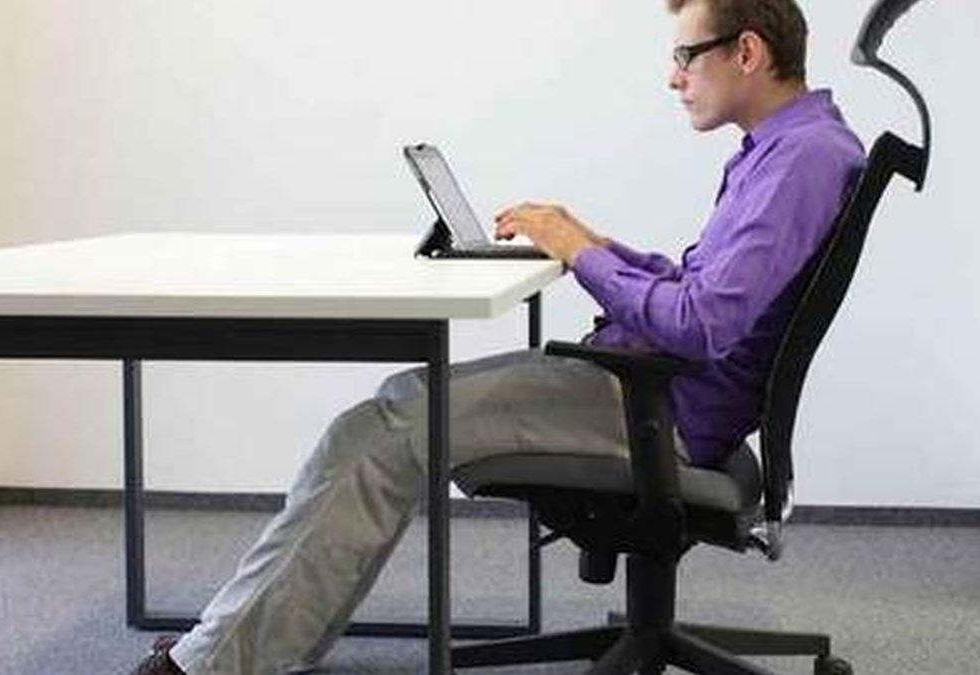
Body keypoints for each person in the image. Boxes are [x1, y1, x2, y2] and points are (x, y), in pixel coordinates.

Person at [133, 0, 865, 672]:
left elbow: (701, 324)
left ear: (747, 52)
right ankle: (255, 645)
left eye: (686, 56)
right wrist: (592, 242)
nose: (674, 78)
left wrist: (580, 254)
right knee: (398, 406)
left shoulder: (801, 159)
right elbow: (702, 286)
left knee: (386, 426)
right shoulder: (793, 145)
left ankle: (213, 663)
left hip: (663, 409)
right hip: (658, 388)